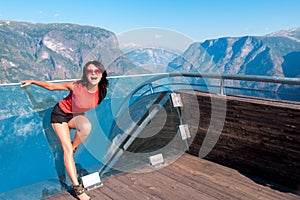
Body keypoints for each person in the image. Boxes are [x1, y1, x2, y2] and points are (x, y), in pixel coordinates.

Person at [21, 60, 108, 200]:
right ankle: (78, 190)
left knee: (86, 127)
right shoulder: (76, 86)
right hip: (59, 115)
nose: (93, 74)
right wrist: (32, 81)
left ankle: (73, 147)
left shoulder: (102, 90)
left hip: (74, 116)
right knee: (66, 151)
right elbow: (51, 87)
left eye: (96, 71)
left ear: (102, 74)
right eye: (89, 71)